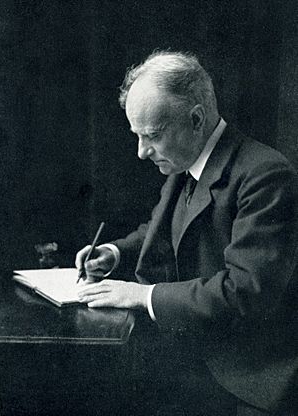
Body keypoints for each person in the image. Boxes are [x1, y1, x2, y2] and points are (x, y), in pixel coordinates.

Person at [76, 51, 298, 416]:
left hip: (251, 384)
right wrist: (114, 253)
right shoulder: (186, 162)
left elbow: (244, 291)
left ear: (196, 119)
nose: (141, 152)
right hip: (199, 362)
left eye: (152, 136)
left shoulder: (265, 175)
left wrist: (141, 295)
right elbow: (164, 229)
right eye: (137, 135)